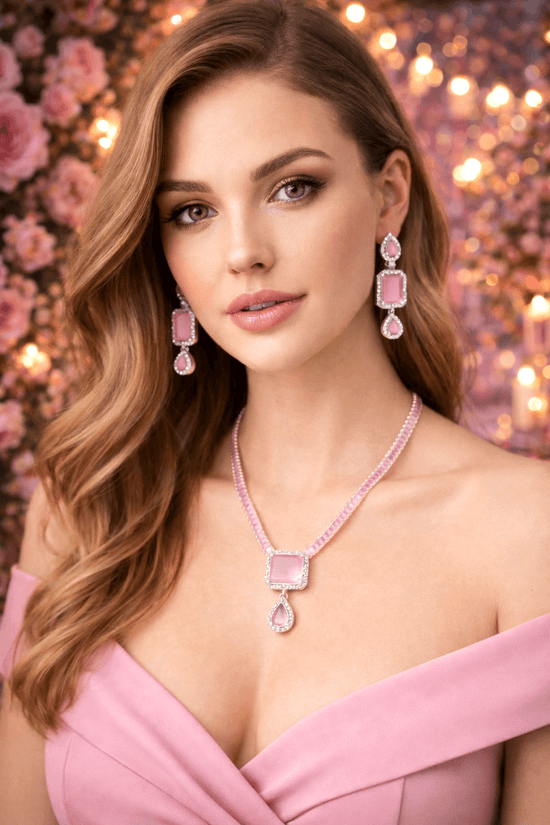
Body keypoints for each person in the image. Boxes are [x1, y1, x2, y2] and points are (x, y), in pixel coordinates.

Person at [1, 0, 549, 822]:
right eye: (193, 210)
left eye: (293, 188)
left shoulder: (525, 535)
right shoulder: (90, 511)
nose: (242, 251)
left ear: (389, 195)